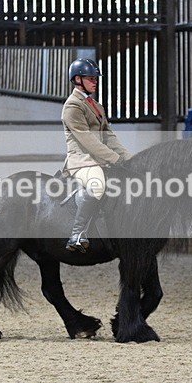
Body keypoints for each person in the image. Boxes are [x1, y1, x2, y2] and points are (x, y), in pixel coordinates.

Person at [61, 58, 131, 253]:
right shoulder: (72, 106)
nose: (95, 81)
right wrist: (114, 159)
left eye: (95, 78)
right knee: (97, 184)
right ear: (77, 79)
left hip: (99, 160)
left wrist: (128, 158)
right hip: (81, 161)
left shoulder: (97, 106)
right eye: (91, 78)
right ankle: (76, 234)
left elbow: (109, 137)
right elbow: (87, 140)